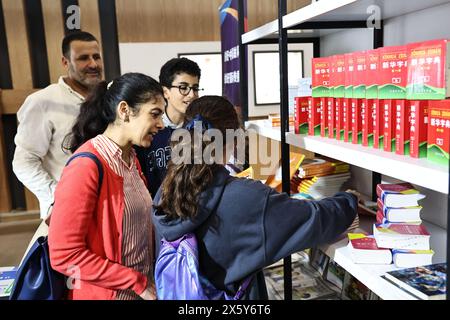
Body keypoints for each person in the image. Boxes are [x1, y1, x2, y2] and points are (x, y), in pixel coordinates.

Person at [152, 95, 358, 300]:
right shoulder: (245, 198)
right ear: (234, 140)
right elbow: (314, 219)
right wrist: (349, 201)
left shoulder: (168, 191)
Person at [48, 73, 165, 300]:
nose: (161, 124)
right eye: (154, 114)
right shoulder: (86, 165)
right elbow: (64, 255)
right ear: (124, 110)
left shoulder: (131, 159)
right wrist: (135, 281)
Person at [13, 31, 103, 219]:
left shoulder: (109, 97)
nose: (93, 64)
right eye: (83, 58)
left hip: (108, 206)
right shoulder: (42, 102)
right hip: (67, 212)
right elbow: (24, 162)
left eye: (96, 57)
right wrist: (57, 196)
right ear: (65, 62)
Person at [136, 57, 202, 198]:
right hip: (155, 211)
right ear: (165, 92)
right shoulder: (149, 130)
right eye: (183, 88)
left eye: (195, 88)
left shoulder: (200, 129)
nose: (191, 95)